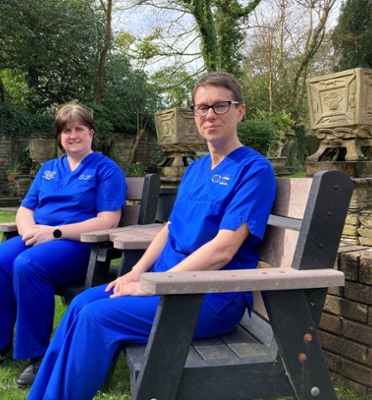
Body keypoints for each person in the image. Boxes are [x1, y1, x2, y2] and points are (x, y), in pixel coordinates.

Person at [26, 71, 278, 400]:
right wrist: (136, 271)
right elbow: (170, 228)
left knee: (95, 318)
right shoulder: (198, 169)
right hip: (167, 283)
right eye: (202, 108)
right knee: (81, 304)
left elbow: (223, 250)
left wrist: (152, 286)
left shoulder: (254, 170)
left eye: (220, 106)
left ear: (240, 111)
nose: (210, 115)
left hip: (210, 297)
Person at [0, 103, 127, 389]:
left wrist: (54, 233)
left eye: (79, 129)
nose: (73, 135)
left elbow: (109, 220)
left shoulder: (106, 170)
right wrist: (28, 231)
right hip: (38, 237)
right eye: (66, 130)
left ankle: (37, 354)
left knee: (28, 265)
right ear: (59, 137)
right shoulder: (48, 169)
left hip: (78, 244)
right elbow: (25, 208)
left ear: (91, 133)